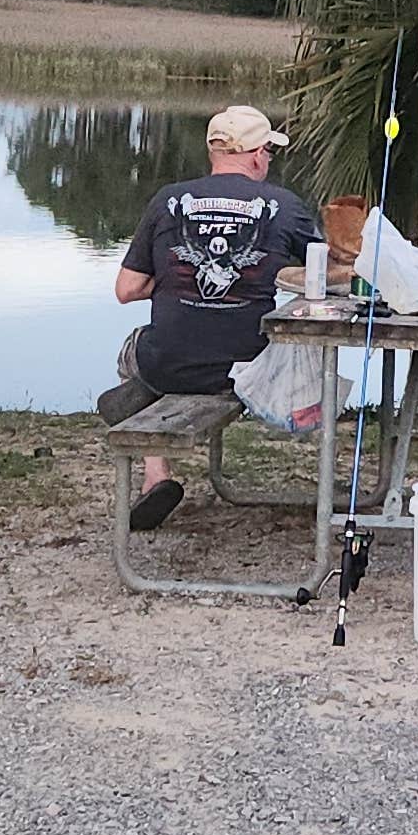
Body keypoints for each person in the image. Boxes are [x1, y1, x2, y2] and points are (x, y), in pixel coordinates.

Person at [99, 104, 323, 533]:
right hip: (246, 369)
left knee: (134, 350)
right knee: (188, 343)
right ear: (257, 154)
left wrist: (170, 282)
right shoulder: (283, 205)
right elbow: (323, 268)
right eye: (269, 153)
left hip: (167, 363)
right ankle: (149, 454)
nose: (268, 161)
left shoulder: (168, 200)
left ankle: (155, 473)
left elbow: (126, 289)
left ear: (213, 152)